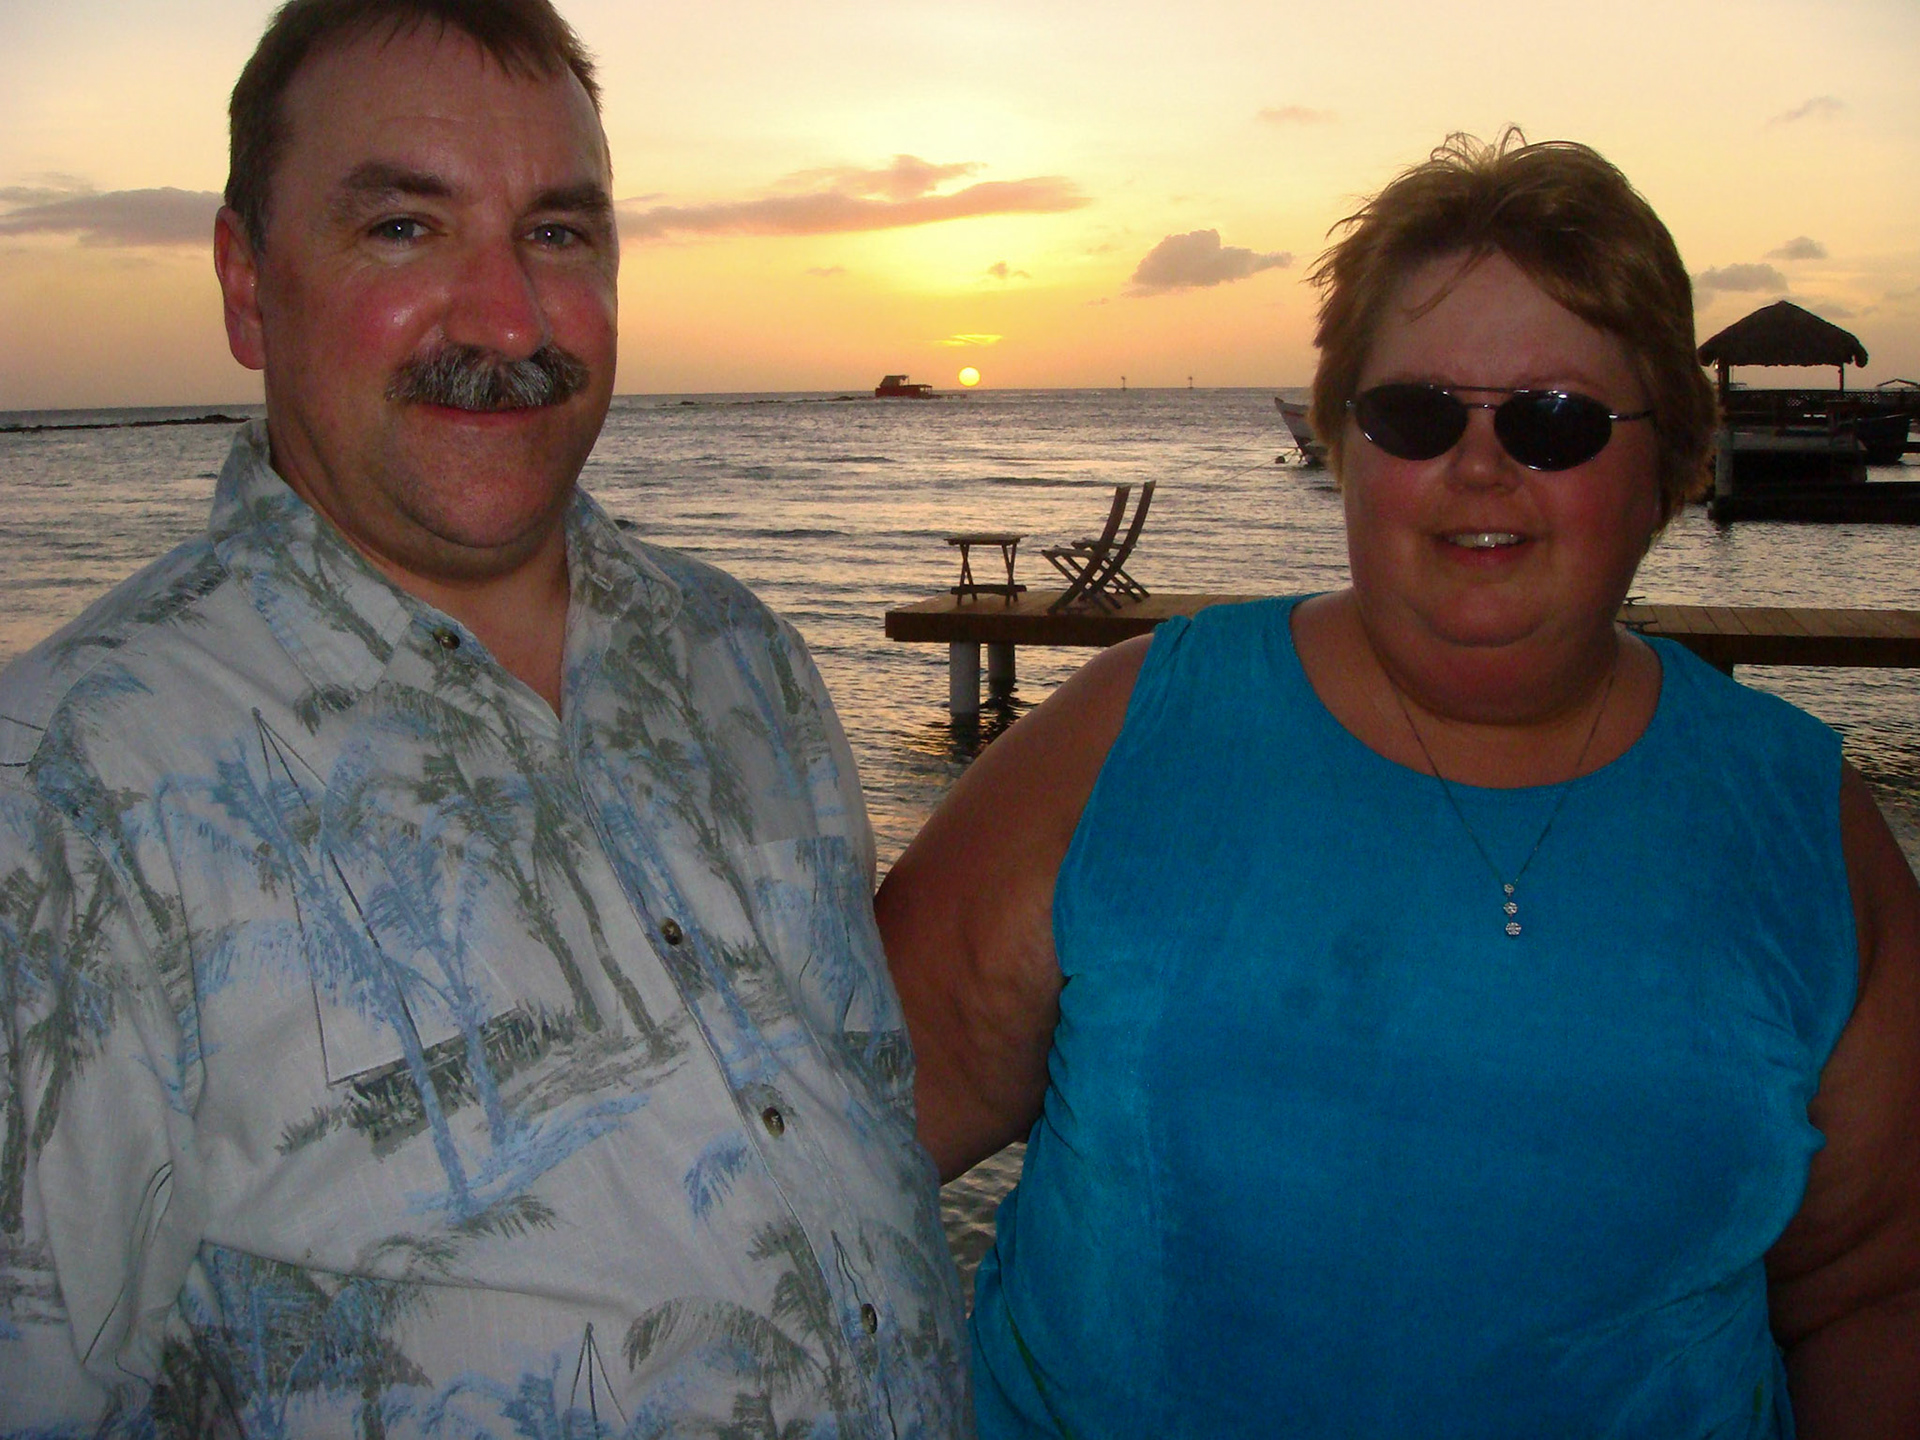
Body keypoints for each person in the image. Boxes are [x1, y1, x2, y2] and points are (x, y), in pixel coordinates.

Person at [0, 1, 966, 1433]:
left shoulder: (742, 660)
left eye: (557, 234)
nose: (510, 319)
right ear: (247, 285)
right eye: (405, 228)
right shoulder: (69, 790)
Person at [878, 132, 1920, 1437]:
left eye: (1555, 420)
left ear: (1669, 464)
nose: (1480, 467)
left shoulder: (1798, 825)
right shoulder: (1128, 740)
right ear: (1345, 440)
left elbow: (1874, 1293)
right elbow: (819, 1137)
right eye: (1419, 414)